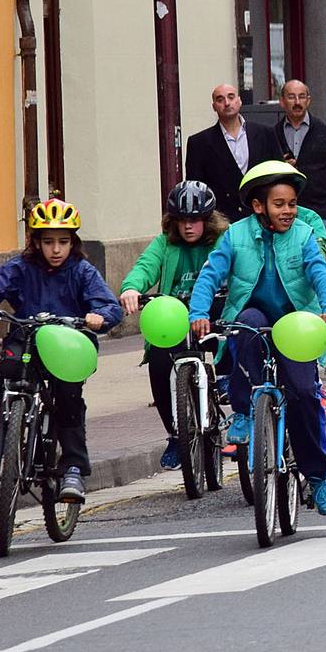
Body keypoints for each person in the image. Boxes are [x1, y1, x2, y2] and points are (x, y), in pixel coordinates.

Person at [189, 161, 326, 514]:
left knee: (304, 394)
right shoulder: (236, 235)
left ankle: (318, 477)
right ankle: (244, 411)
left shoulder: (304, 235)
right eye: (279, 204)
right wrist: (199, 313)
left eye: (291, 203)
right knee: (245, 323)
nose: (288, 211)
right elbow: (211, 274)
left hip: (298, 324)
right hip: (254, 321)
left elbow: (319, 271)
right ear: (258, 206)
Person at [0, 199, 122, 504]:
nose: (56, 249)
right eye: (48, 242)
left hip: (68, 344)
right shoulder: (22, 268)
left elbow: (109, 306)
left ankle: (73, 466)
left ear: (73, 243)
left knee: (68, 397)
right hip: (27, 340)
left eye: (63, 242)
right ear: (35, 242)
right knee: (4, 373)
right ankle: (17, 427)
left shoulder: (82, 271)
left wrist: (99, 316)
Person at [118, 182, 230, 470]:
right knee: (158, 359)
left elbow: (236, 265)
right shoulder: (165, 243)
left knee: (231, 325)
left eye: (195, 220)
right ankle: (176, 434)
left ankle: (227, 376)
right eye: (182, 221)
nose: (188, 227)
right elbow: (145, 266)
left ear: (208, 220)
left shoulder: (222, 240)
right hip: (175, 317)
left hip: (211, 311)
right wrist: (132, 288)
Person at [185, 83, 281, 221]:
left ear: (239, 101)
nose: (227, 103)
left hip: (262, 217)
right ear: (214, 106)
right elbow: (196, 188)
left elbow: (279, 175)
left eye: (231, 97)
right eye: (220, 99)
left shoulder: (266, 133)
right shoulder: (199, 143)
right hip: (223, 221)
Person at [275, 80, 326, 239]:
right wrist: (281, 165)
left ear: (308, 100)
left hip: (319, 210)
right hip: (284, 211)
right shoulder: (274, 133)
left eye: (301, 97)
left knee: (318, 257)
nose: (297, 102)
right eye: (291, 97)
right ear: (282, 101)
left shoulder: (323, 132)